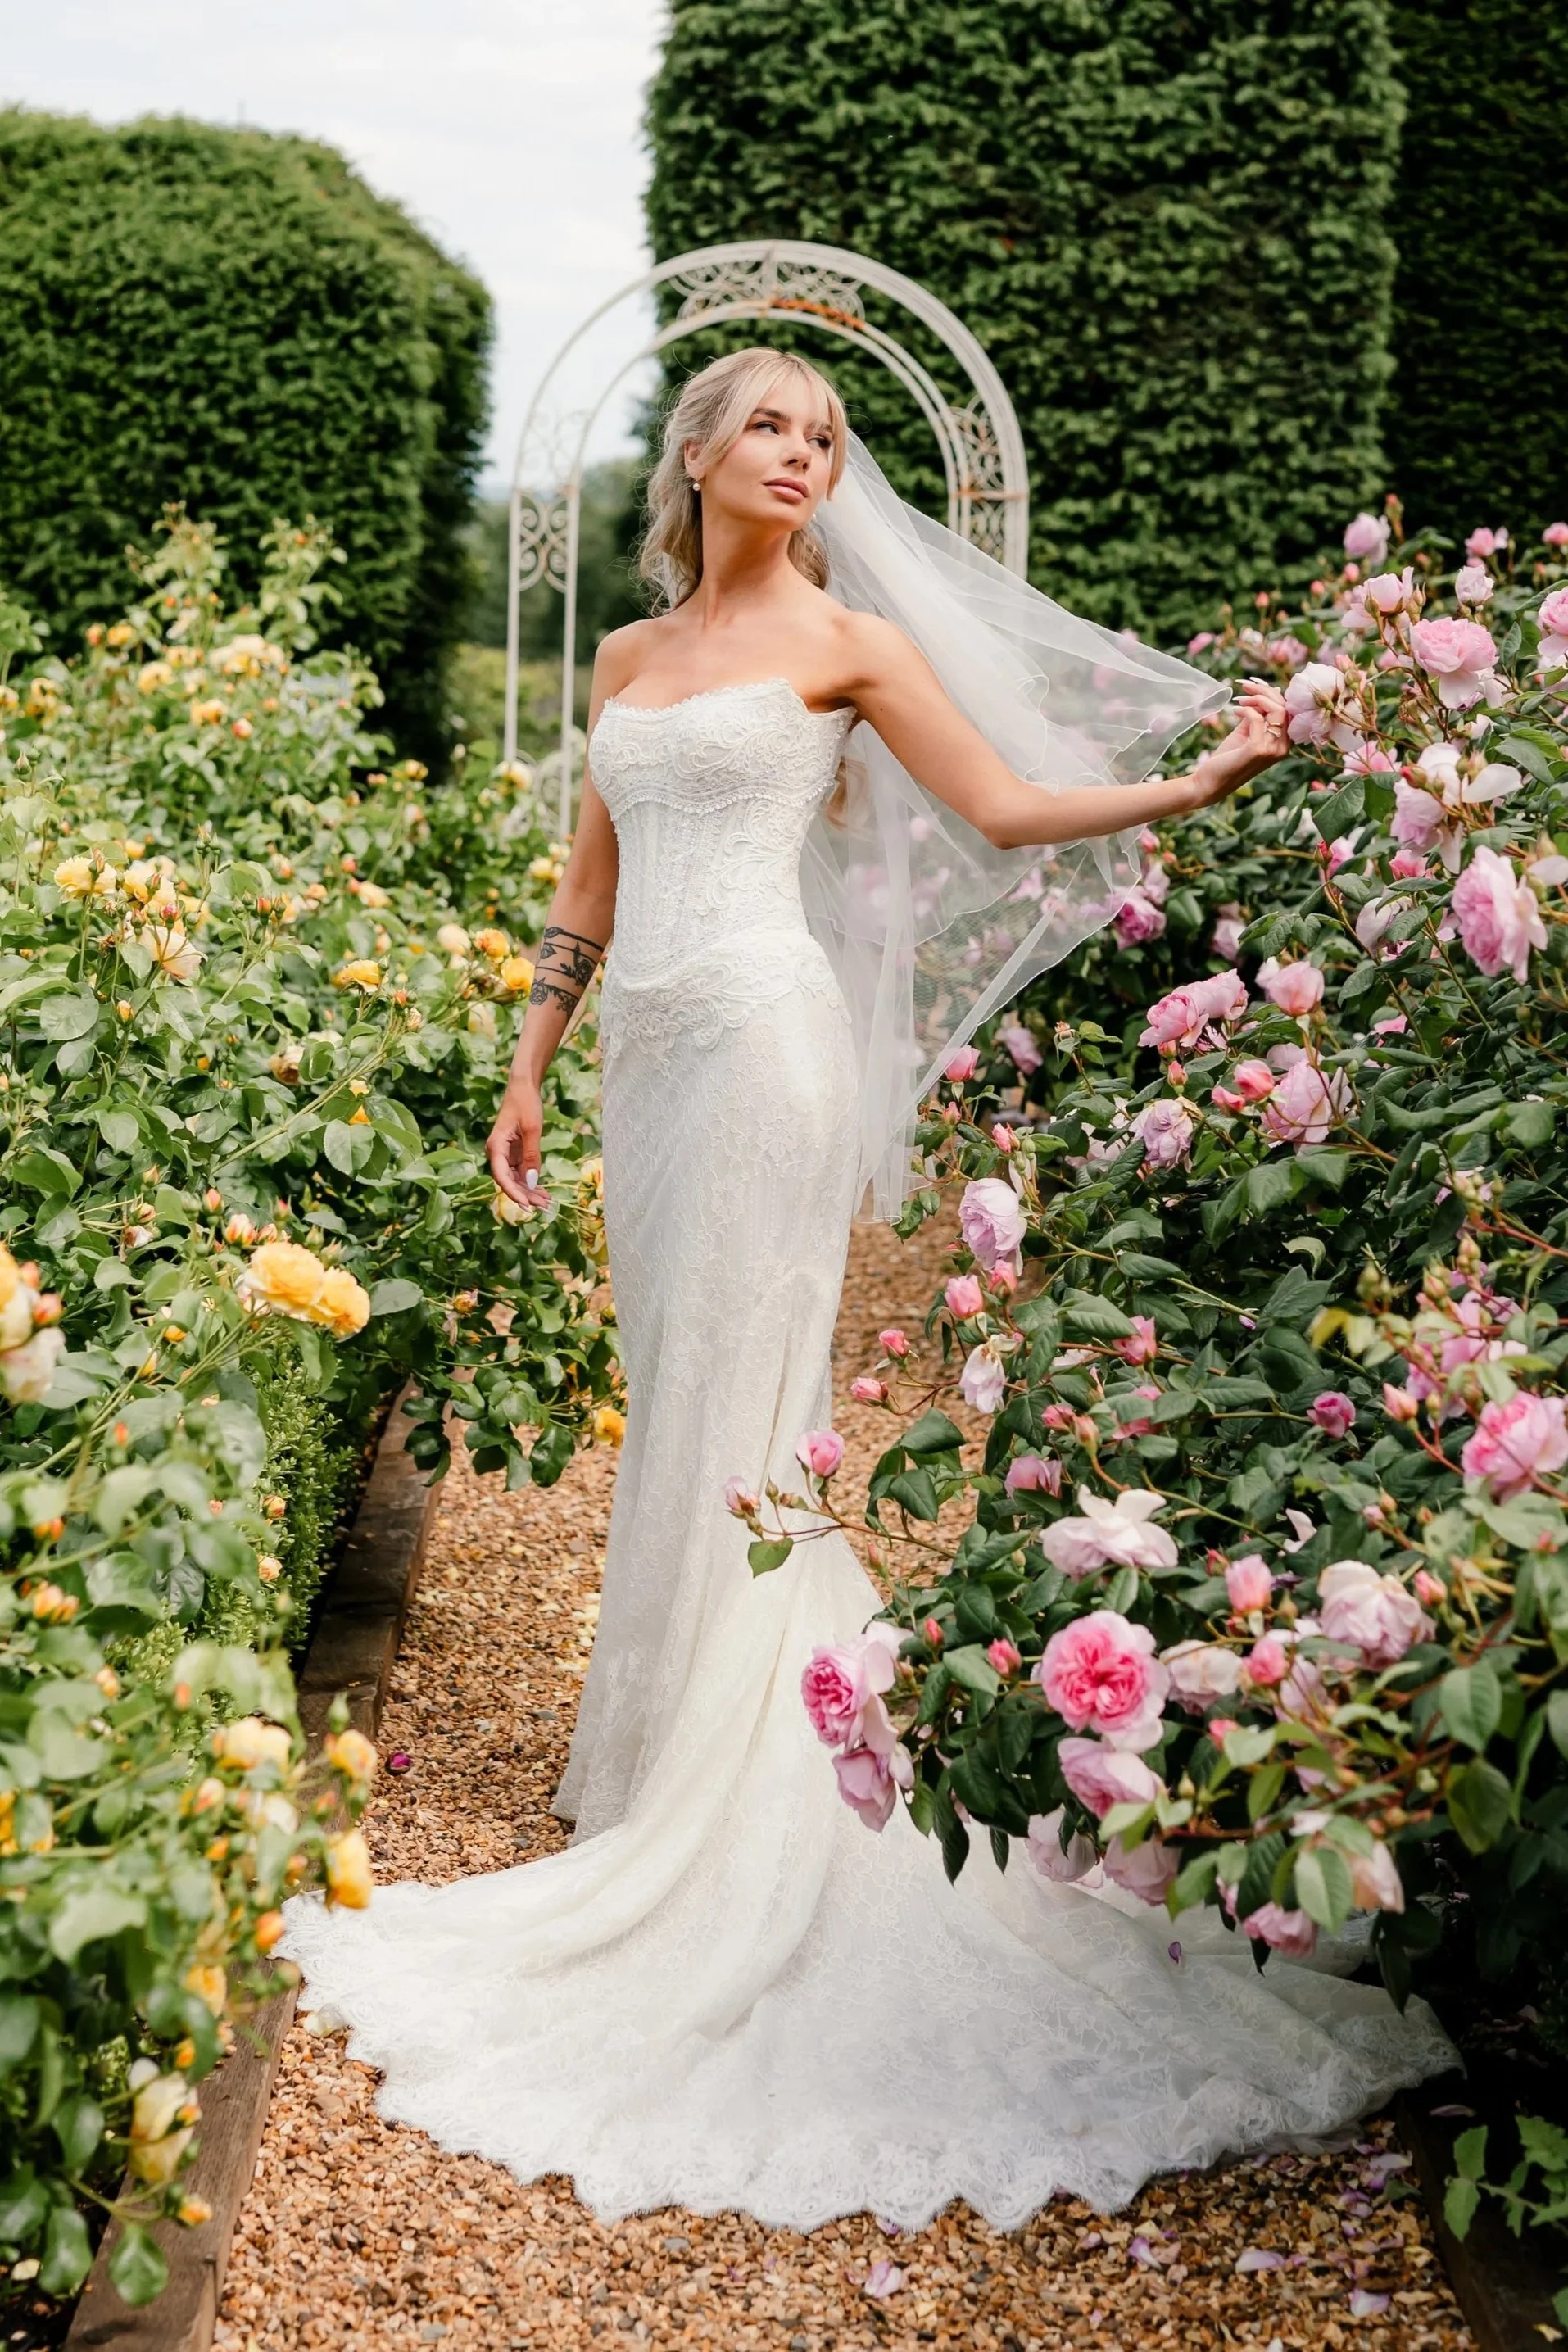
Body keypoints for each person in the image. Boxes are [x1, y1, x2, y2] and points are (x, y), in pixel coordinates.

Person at [282, 348, 1450, 2230]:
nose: (805, 453)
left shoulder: (844, 645)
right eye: (774, 423)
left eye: (828, 437)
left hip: (764, 1049)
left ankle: (735, 1797)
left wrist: (1196, 777)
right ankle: (664, 1756)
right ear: (701, 453)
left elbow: (1001, 810)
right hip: (641, 1066)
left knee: (753, 1409)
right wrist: (531, 1051)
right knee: (678, 1392)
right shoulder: (631, 660)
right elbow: (590, 873)